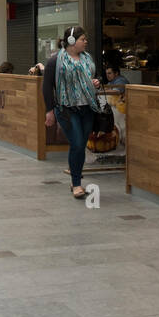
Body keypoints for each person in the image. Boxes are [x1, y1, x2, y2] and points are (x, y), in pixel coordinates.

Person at [41, 25, 100, 199]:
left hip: (87, 108)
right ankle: (76, 184)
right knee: (77, 143)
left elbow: (96, 76)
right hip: (66, 109)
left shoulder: (87, 58)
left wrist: (96, 82)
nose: (86, 42)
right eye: (83, 39)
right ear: (72, 41)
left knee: (81, 145)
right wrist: (49, 111)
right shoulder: (56, 61)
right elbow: (47, 87)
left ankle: (75, 178)